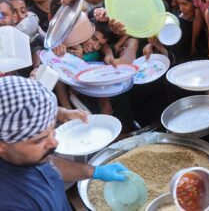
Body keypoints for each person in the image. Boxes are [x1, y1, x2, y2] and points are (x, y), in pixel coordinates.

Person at [0, 76, 129, 210]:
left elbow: (50, 165)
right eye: (39, 140)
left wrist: (94, 171)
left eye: (52, 131)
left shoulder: (22, 156)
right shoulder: (10, 203)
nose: (54, 143)